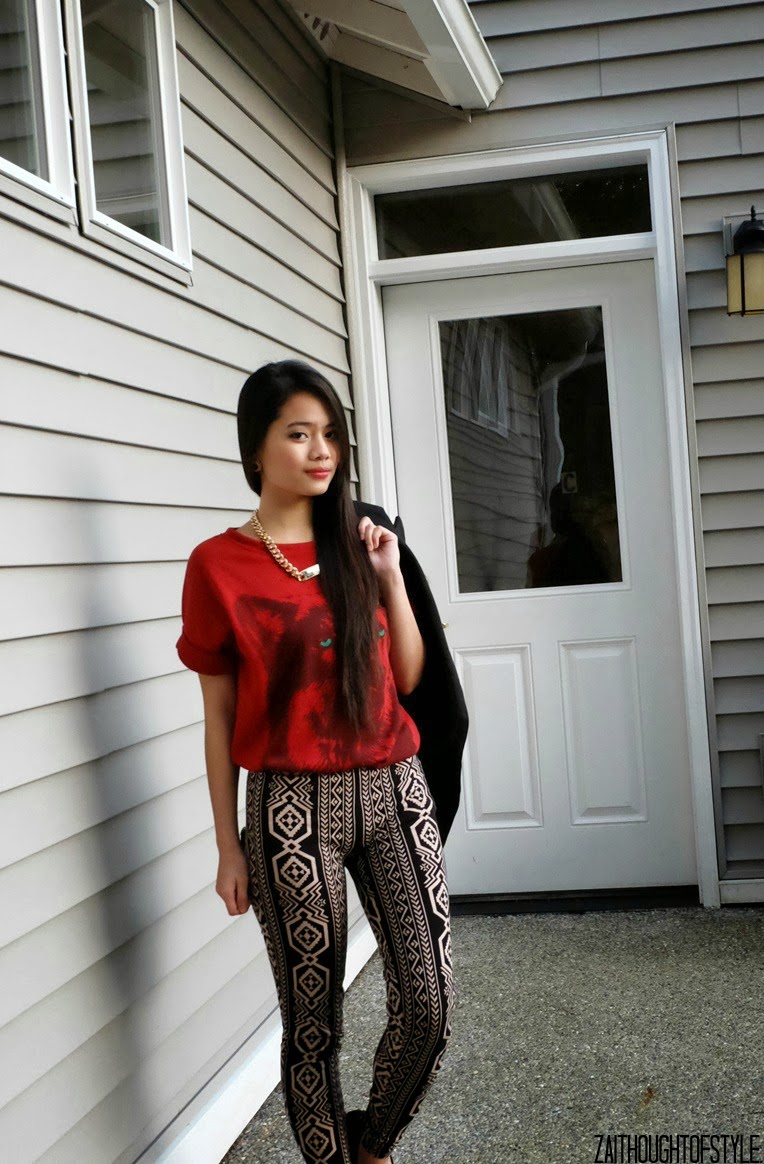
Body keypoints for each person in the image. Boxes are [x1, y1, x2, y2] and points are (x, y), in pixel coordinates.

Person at [176, 359, 457, 1164]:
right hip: (290, 809)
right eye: (299, 434)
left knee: (431, 1003)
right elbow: (218, 716)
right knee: (313, 1023)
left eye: (330, 433)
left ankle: (372, 1145)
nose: (321, 450)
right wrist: (227, 845)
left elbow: (408, 677)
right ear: (255, 449)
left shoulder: (362, 541)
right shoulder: (217, 565)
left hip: (395, 788)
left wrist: (389, 577)